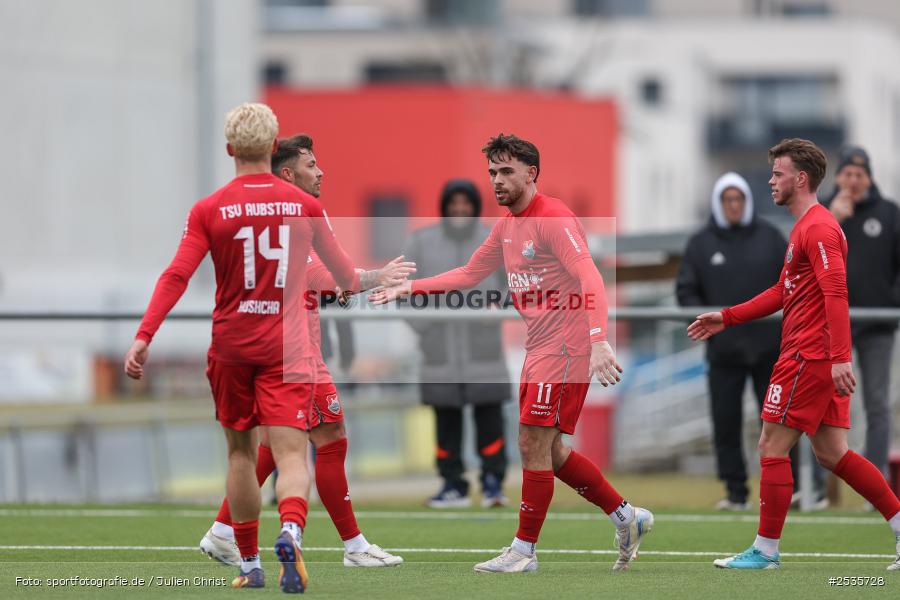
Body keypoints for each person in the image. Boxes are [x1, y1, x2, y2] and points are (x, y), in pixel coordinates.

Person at [371, 133, 653, 573]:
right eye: (492, 173)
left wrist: (599, 340)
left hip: (566, 347)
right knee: (551, 451)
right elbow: (468, 274)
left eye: (506, 172)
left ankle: (523, 551)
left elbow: (590, 278)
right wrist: (411, 287)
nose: (497, 181)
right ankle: (627, 517)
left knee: (530, 443)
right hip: (539, 347)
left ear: (531, 173)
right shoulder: (505, 226)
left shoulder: (554, 219)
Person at [124, 103, 363, 592]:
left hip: (232, 346)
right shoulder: (304, 204)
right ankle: (291, 530)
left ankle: (250, 564)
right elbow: (344, 277)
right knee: (293, 455)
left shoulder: (209, 209)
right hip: (287, 349)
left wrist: (144, 335)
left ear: (230, 148)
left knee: (240, 454)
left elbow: (177, 275)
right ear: (274, 147)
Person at [688, 138, 900, 571]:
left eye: (777, 173)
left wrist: (840, 357)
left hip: (809, 356)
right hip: (815, 354)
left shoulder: (819, 228)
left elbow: (837, 292)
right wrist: (726, 317)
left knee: (771, 444)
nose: (770, 181)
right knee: (832, 453)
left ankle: (765, 551)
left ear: (800, 179)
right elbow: (782, 292)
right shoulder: (804, 226)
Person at [198, 134, 408, 568]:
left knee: (276, 446)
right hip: (290, 353)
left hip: (286, 347)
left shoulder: (276, 210)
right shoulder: (289, 213)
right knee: (320, 440)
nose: (321, 171)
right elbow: (316, 272)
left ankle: (222, 532)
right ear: (289, 173)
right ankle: (350, 546)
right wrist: (371, 278)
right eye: (312, 164)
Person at [677, 172, 793, 510]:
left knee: (778, 424)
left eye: (738, 199)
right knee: (724, 422)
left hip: (770, 349)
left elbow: (789, 286)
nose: (733, 205)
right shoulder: (701, 243)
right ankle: (735, 492)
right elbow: (686, 290)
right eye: (727, 199)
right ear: (718, 203)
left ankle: (789, 491)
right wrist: (701, 322)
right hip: (724, 351)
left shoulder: (771, 238)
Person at [403, 179, 511, 509]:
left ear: (476, 206)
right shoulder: (421, 242)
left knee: (490, 417)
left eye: (466, 204)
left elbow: (514, 283)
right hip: (440, 352)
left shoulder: (493, 239)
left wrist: (498, 307)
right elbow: (401, 291)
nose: (460, 210)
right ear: (445, 207)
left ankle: (493, 483)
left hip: (484, 348)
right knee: (446, 421)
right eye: (454, 204)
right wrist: (426, 329)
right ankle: (452, 485)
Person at [823, 145, 900, 480]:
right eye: (848, 175)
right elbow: (805, 254)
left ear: (869, 178)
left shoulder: (889, 213)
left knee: (877, 405)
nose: (853, 181)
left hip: (878, 326)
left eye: (860, 175)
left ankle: (876, 481)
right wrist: (834, 218)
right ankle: (816, 483)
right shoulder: (823, 212)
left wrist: (889, 303)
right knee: (820, 401)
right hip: (830, 325)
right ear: (838, 177)